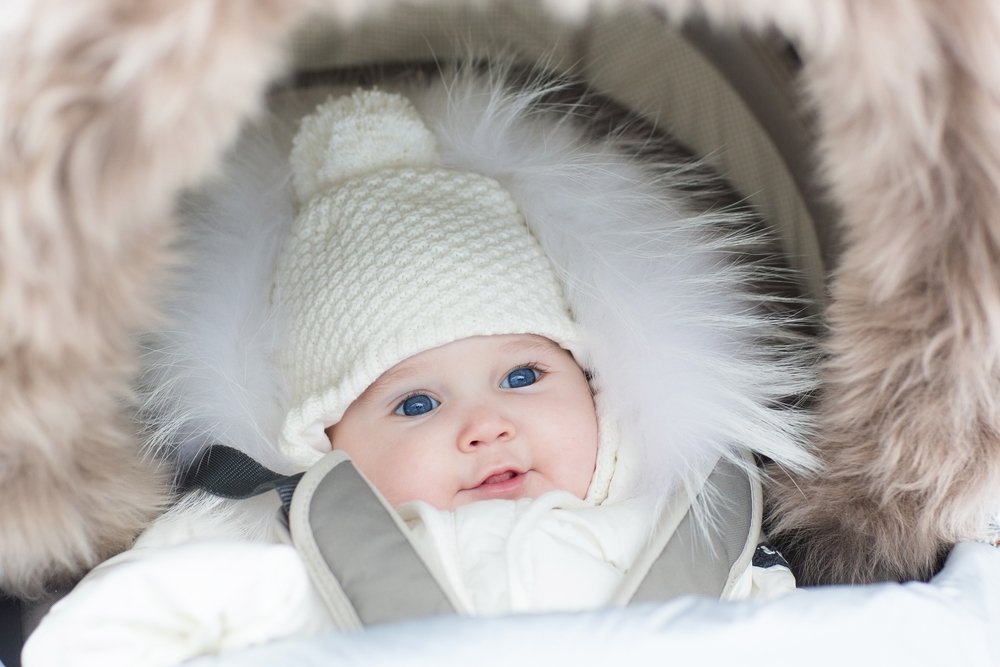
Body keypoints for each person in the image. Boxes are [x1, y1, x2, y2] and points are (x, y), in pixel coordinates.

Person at [23, 73, 812, 665]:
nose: (486, 425)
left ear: (595, 385)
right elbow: (104, 630)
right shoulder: (270, 547)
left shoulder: (682, 516)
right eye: (415, 404)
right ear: (325, 442)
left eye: (524, 376)